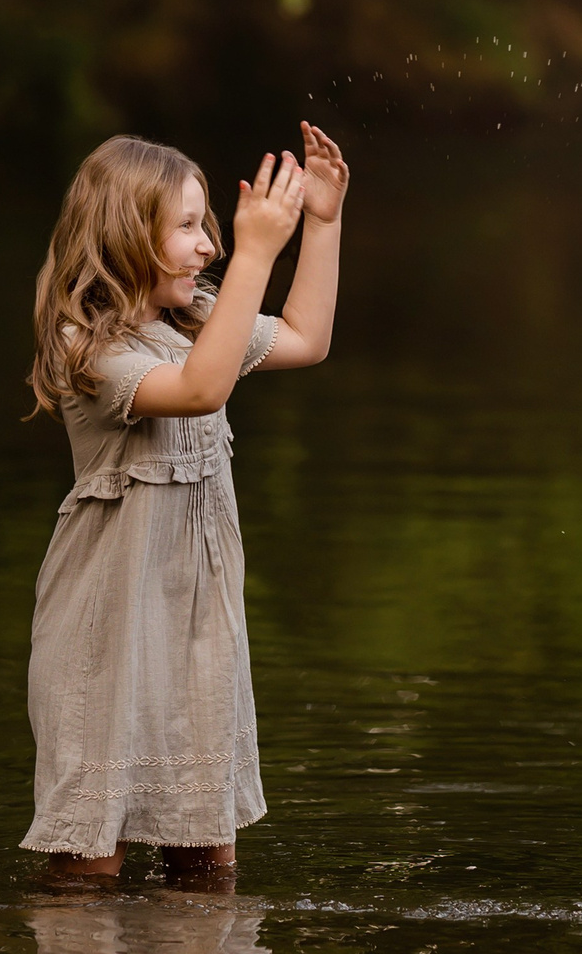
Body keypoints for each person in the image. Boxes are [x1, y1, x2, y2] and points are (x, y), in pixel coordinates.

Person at [22, 125, 350, 883]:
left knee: (206, 868)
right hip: (104, 641)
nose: (209, 246)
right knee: (89, 871)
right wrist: (258, 253)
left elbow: (307, 337)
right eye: (189, 226)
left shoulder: (198, 322)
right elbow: (202, 389)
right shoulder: (90, 348)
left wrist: (322, 225)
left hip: (198, 636)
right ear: (127, 237)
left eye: (211, 227)